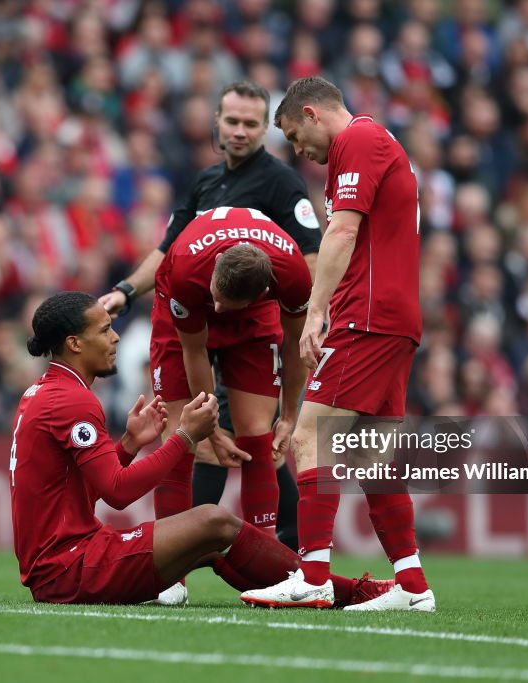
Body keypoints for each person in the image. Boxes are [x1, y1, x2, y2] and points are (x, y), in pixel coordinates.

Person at [9, 291, 393, 606]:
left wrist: (127, 445)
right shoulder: (71, 401)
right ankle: (346, 589)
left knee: (209, 540)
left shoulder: (42, 394)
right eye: (106, 330)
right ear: (75, 343)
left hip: (65, 564)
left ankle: (318, 590)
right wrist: (185, 438)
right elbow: (118, 492)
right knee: (213, 520)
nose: (116, 338)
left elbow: (78, 492)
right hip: (70, 568)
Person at [240, 77, 435, 611]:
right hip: (393, 317)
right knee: (374, 460)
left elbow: (343, 233)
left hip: (367, 317)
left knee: (308, 439)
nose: (299, 152)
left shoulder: (357, 142)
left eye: (295, 136)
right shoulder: (376, 143)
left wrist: (317, 311)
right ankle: (414, 589)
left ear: (312, 113)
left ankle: (313, 575)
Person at [100, 80, 321, 553]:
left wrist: (292, 406)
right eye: (232, 121)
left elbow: (311, 261)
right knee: (195, 436)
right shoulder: (205, 182)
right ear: (216, 124)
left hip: (254, 315)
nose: (239, 131)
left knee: (257, 436)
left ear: (267, 129)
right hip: (193, 305)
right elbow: (167, 252)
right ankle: (175, 559)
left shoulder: (283, 184)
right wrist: (125, 290)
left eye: (250, 123)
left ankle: (272, 551)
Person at [150, 207, 311, 542]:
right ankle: (169, 577)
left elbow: (295, 345)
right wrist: (211, 430)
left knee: (256, 433)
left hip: (251, 320)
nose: (218, 311)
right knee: (180, 431)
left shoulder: (293, 275)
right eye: (217, 300)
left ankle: (265, 560)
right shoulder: (189, 272)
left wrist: (290, 414)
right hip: (184, 302)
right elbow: (195, 351)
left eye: (226, 305)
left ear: (264, 294)